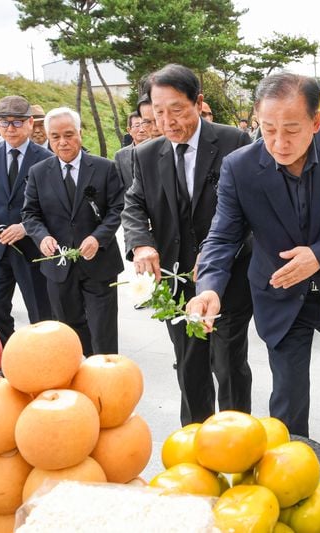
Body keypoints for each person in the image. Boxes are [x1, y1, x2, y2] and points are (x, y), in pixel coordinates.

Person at [187, 72, 320, 450]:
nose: (279, 143)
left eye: (292, 130)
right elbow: (222, 234)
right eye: (268, 129)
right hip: (280, 294)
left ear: (316, 122)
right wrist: (209, 288)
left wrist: (319, 255)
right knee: (287, 394)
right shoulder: (240, 167)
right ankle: (293, 460)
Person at [121, 64, 254, 426]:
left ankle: (236, 434)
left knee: (228, 363)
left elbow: (252, 211)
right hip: (176, 280)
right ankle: (194, 438)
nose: (167, 121)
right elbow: (133, 204)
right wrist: (141, 245)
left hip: (228, 278)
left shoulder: (233, 142)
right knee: (189, 362)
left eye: (177, 109)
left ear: (198, 102)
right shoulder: (146, 155)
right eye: (158, 112)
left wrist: (216, 258)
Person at [23, 107, 124, 356]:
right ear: (48, 137)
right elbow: (30, 214)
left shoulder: (104, 168)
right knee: (70, 331)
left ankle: (106, 381)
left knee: (103, 331)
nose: (63, 142)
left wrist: (98, 237)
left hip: (99, 263)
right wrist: (42, 236)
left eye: (69, 134)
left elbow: (118, 209)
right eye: (55, 137)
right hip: (59, 266)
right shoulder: (38, 172)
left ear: (79, 133)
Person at [0, 95, 55, 345]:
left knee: (40, 311)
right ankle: (6, 362)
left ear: (30, 123)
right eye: (3, 122)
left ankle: (46, 360)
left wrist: (26, 228)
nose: (10, 128)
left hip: (31, 250)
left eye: (17, 122)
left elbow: (53, 206)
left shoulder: (46, 158)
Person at [114, 111, 152, 190]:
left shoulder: (162, 150)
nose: (142, 130)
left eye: (144, 124)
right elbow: (119, 187)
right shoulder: (120, 156)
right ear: (129, 130)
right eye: (137, 125)